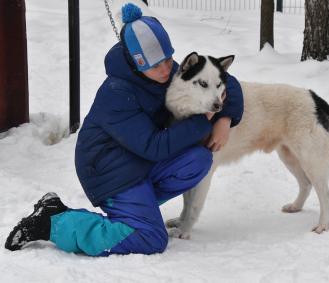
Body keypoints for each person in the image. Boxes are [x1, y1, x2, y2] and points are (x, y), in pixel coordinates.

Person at [4, 3, 243, 256]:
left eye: (168, 59)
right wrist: (204, 119)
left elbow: (228, 81)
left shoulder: (165, 70)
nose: (165, 69)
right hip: (110, 169)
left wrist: (224, 119)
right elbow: (155, 146)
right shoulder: (117, 93)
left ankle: (138, 210)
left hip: (138, 161)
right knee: (150, 238)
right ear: (137, 63)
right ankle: (53, 221)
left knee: (198, 160)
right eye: (155, 65)